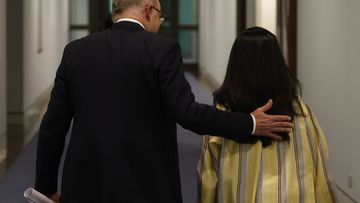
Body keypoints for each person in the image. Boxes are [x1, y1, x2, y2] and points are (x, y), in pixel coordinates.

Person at [34, 1, 293, 202]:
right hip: (145, 185)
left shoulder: (76, 52)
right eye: (160, 16)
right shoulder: (162, 50)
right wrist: (248, 123)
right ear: (149, 10)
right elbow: (188, 113)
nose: (160, 23)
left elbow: (52, 128)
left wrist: (45, 188)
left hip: (84, 185)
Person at [197, 27, 337, 203]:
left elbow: (208, 175)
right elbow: (320, 168)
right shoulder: (298, 109)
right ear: (277, 64)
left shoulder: (225, 114)